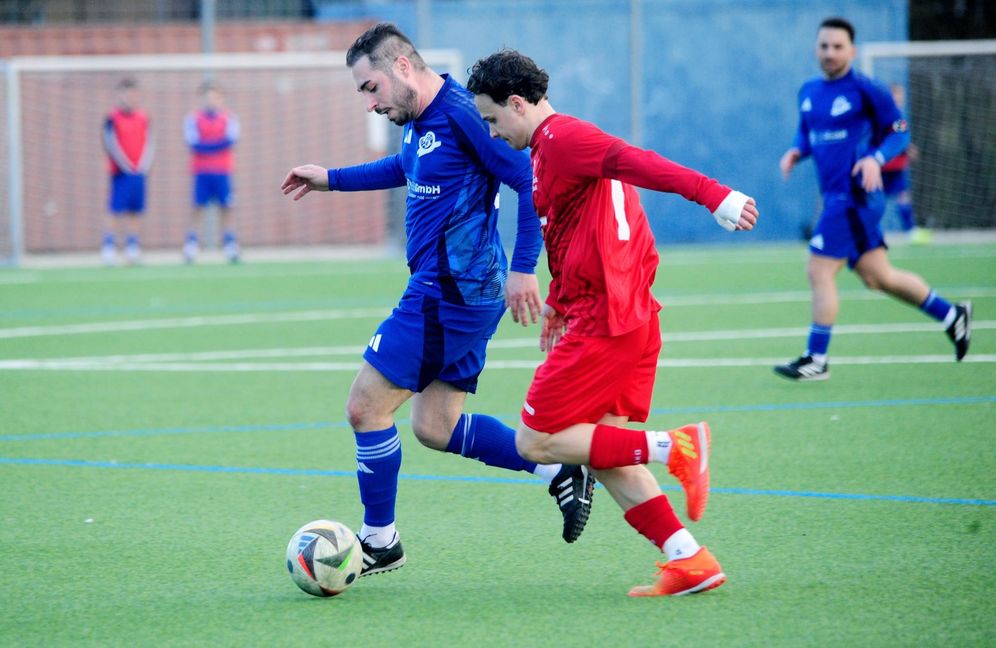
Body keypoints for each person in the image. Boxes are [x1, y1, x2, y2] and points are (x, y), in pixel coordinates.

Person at [280, 24, 595, 577]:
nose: (370, 102)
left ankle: (380, 539)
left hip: (449, 292)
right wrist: (330, 178)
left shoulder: (462, 114)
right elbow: (403, 168)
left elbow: (529, 178)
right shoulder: (419, 120)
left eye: (370, 87)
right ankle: (558, 470)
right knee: (436, 428)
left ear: (402, 67)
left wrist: (526, 269)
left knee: (364, 406)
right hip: (459, 292)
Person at [467, 49, 758, 597]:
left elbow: (640, 161)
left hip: (607, 322)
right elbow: (576, 232)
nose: (491, 131)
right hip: (607, 312)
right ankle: (688, 558)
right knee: (593, 447)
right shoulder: (544, 150)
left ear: (516, 103)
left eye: (491, 119)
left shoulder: (564, 138)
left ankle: (677, 447)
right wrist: (558, 298)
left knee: (535, 441)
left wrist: (714, 195)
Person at [775, 17, 971, 381]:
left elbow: (899, 132)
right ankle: (951, 315)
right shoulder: (809, 92)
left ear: (852, 50)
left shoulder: (867, 89)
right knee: (878, 276)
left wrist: (875, 159)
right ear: (816, 49)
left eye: (838, 47)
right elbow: (807, 133)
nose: (830, 53)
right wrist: (795, 152)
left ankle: (816, 359)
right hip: (837, 198)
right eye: (824, 46)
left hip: (855, 198)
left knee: (818, 269)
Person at [184, 80, 240, 264]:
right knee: (197, 208)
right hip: (201, 172)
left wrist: (207, 146)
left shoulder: (229, 118)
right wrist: (215, 146)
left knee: (226, 208)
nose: (211, 101)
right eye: (208, 97)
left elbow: (230, 141)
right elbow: (193, 144)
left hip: (223, 171)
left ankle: (230, 245)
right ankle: (191, 246)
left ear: (221, 99)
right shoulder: (193, 118)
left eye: (215, 97)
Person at [101, 77, 155, 266]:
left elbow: (150, 142)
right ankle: (109, 248)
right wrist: (126, 166)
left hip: (139, 171)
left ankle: (132, 248)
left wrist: (143, 166)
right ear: (120, 95)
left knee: (136, 210)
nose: (130, 97)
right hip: (120, 172)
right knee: (115, 209)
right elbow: (110, 144)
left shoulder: (144, 117)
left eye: (134, 93)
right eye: (127, 93)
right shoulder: (112, 118)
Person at [881, 83, 928, 242]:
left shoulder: (898, 116)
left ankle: (910, 231)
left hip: (897, 167)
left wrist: (908, 148)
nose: (898, 99)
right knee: (875, 199)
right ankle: (867, 230)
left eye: (900, 96)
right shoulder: (885, 116)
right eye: (895, 96)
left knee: (903, 196)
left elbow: (900, 137)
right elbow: (895, 138)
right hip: (882, 167)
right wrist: (906, 148)